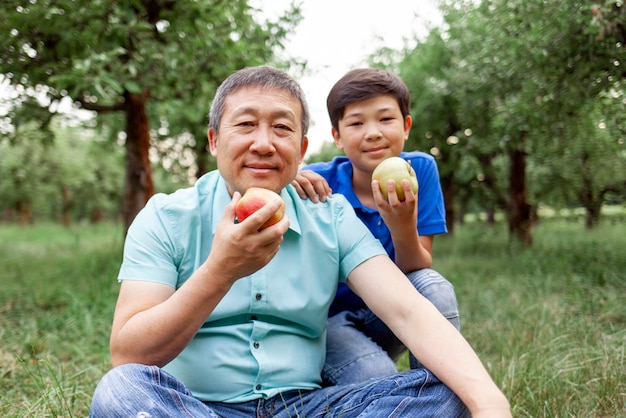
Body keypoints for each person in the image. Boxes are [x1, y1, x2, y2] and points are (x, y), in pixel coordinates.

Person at [89, 65, 511, 417]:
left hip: (309, 407)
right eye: (246, 125)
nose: (264, 143)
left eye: (282, 128)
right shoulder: (166, 217)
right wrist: (221, 270)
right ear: (214, 139)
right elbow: (129, 354)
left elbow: (408, 312)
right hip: (197, 407)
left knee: (452, 392)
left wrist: (490, 401)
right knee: (121, 391)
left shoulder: (331, 215)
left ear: (302, 146)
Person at [292, 67, 458, 384]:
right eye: (356, 123)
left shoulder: (418, 169)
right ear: (337, 136)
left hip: (391, 310)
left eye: (385, 119)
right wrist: (286, 179)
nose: (373, 133)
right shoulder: (318, 182)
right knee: (376, 378)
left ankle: (439, 391)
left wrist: (402, 223)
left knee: (432, 284)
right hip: (330, 322)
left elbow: (415, 266)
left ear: (406, 126)